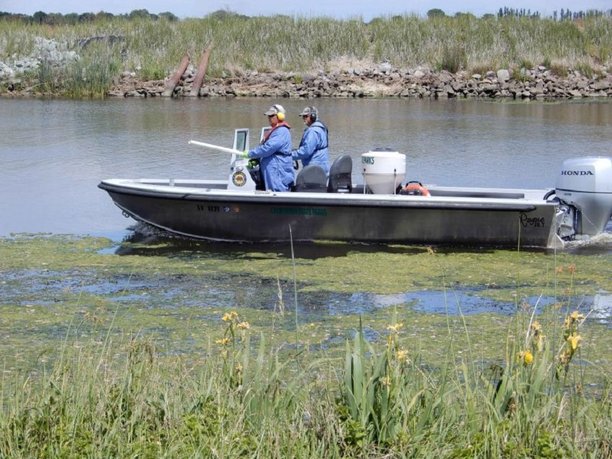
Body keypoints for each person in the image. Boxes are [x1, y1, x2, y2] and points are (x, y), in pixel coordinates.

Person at [243, 104, 295, 192]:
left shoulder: (281, 131)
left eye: (271, 116)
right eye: (268, 116)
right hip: (273, 168)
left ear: (280, 116)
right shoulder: (275, 130)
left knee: (277, 191)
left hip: (277, 168)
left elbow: (268, 148)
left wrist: (250, 153)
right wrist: (257, 159)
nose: (269, 118)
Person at [291, 106, 330, 176]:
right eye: (303, 116)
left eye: (306, 116)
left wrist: (289, 155)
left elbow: (306, 152)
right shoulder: (321, 127)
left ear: (313, 116)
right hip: (322, 169)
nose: (303, 118)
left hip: (314, 171)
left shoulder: (313, 131)